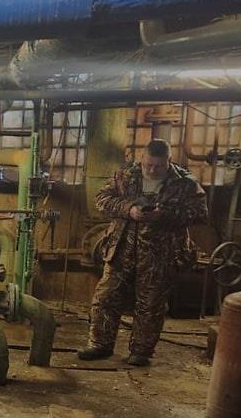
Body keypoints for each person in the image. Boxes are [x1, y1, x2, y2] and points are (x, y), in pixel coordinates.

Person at [81, 138, 208, 367]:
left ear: (169, 161)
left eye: (158, 166)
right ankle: (100, 344)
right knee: (106, 297)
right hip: (122, 248)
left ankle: (141, 351)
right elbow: (102, 199)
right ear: (142, 158)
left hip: (161, 254)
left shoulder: (185, 184)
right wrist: (129, 209)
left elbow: (200, 213)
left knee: (150, 304)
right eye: (148, 165)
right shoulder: (125, 176)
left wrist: (165, 215)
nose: (152, 170)